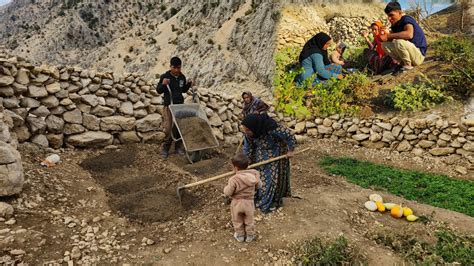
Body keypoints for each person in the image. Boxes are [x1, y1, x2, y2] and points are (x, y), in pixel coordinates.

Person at [241, 113, 296, 213]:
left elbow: (289, 134)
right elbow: (247, 147)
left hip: (275, 154)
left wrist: (290, 150)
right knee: (257, 177)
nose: (246, 132)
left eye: (248, 130)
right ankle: (258, 197)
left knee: (270, 179)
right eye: (245, 130)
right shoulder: (248, 132)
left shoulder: (272, 128)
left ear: (255, 127)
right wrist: (246, 161)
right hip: (259, 154)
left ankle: (270, 202)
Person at [156, 56, 193, 158]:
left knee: (178, 128)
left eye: (179, 68)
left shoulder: (182, 77)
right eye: (175, 68)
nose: (177, 70)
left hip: (179, 106)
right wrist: (163, 84)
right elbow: (158, 90)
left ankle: (178, 147)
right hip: (169, 106)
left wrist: (188, 84)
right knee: (168, 128)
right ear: (170, 67)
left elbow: (183, 90)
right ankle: (165, 148)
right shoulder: (165, 76)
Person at [380, 1, 427, 73]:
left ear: (399, 13)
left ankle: (408, 65)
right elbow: (392, 40)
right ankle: (402, 63)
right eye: (388, 16)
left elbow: (409, 34)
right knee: (384, 45)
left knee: (399, 42)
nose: (389, 18)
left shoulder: (406, 19)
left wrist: (388, 35)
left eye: (391, 15)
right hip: (409, 55)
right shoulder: (395, 25)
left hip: (418, 56)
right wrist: (387, 34)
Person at [223, 153, 261, 243]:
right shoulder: (253, 176)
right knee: (249, 220)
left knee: (237, 219)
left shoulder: (234, 179)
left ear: (235, 168)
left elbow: (228, 192)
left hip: (237, 203)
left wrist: (225, 189)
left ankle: (240, 236)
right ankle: (250, 236)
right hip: (249, 202)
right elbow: (259, 186)